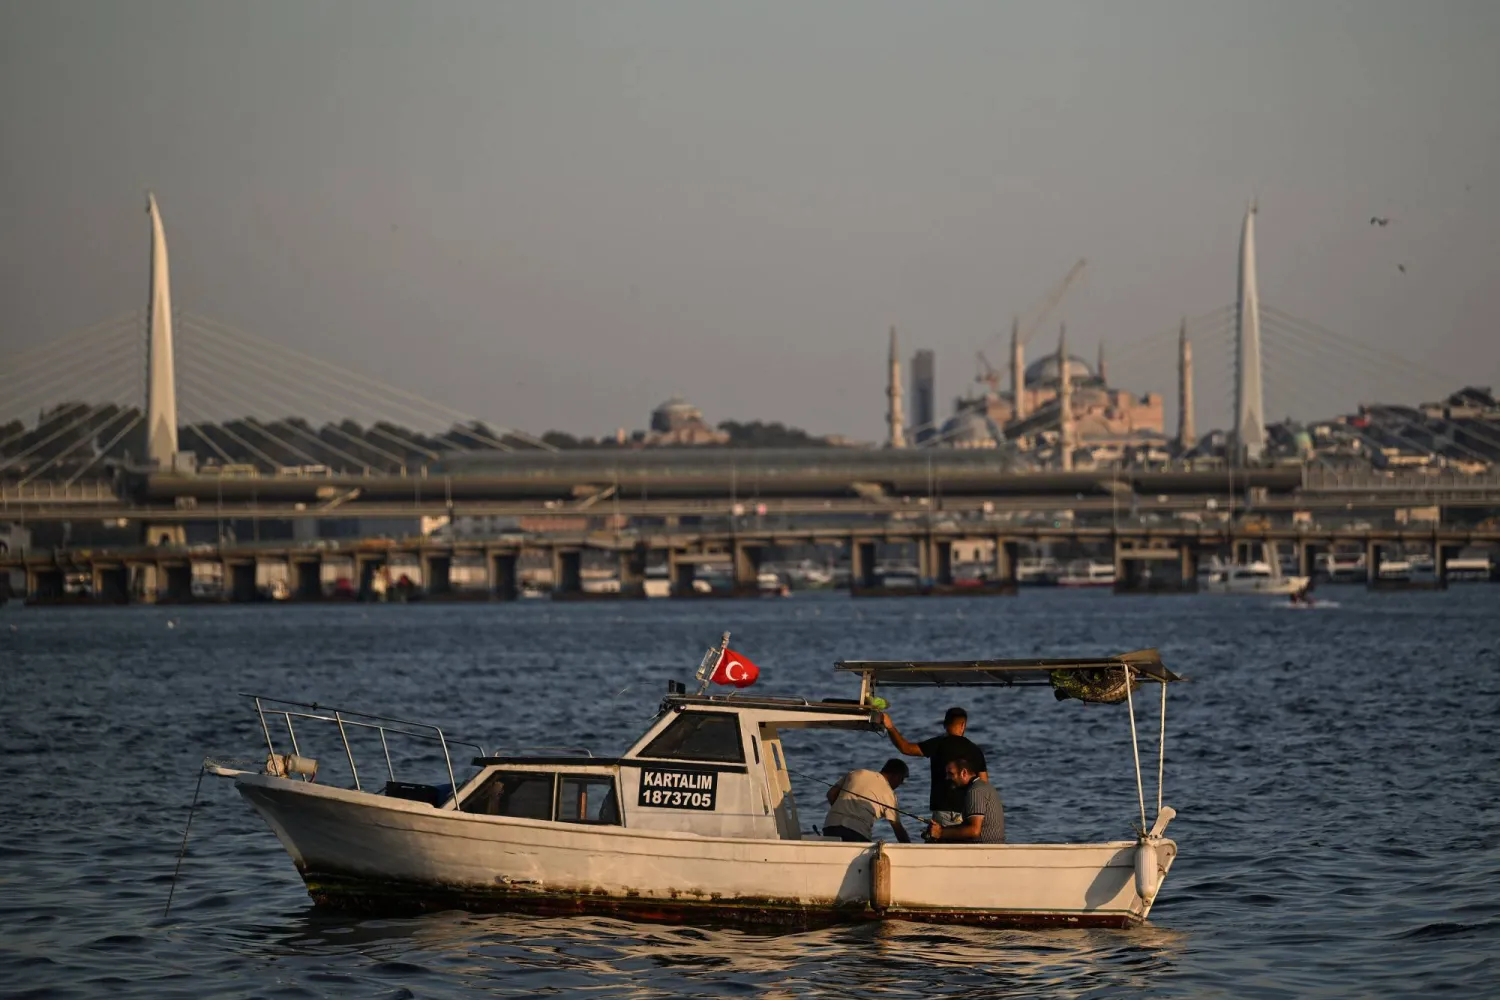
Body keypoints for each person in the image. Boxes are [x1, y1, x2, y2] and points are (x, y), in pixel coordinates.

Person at [882, 707, 988, 827]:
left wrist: (890, 727)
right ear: (963, 725)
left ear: (944, 724)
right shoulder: (976, 750)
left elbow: (905, 748)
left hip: (943, 813)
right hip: (969, 814)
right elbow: (983, 784)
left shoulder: (938, 744)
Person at [821, 759, 912, 843]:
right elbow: (897, 828)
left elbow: (831, 794)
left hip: (830, 826)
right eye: (901, 780)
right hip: (857, 833)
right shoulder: (889, 794)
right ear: (896, 776)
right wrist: (909, 848)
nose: (900, 784)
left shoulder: (857, 773)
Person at [924, 758, 1005, 844]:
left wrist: (940, 833)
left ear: (964, 772)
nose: (947, 778)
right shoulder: (984, 786)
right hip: (993, 845)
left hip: (983, 847)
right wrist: (943, 829)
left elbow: (974, 831)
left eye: (950, 774)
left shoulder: (975, 791)